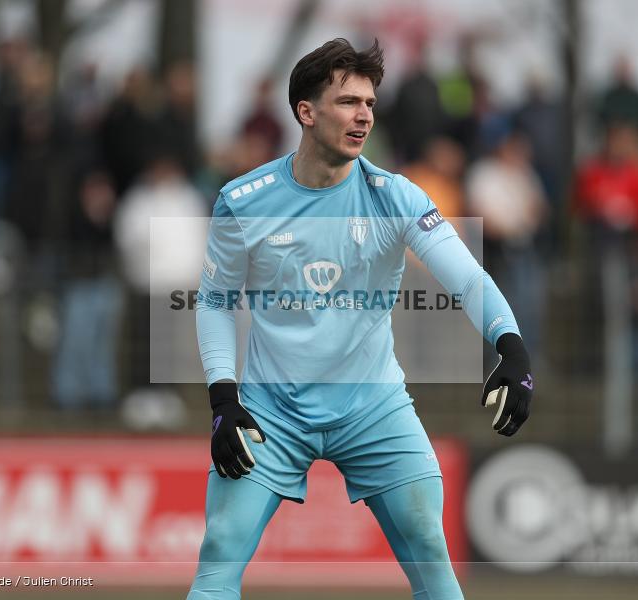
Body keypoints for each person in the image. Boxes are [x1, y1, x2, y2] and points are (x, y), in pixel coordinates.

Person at [188, 38, 533, 600]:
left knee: (429, 542)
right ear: (306, 112)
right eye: (348, 101)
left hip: (373, 406)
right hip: (272, 410)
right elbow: (214, 301)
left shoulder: (397, 198)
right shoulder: (243, 200)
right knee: (220, 549)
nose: (364, 115)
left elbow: (469, 279)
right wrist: (223, 399)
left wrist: (510, 346)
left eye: (370, 103)